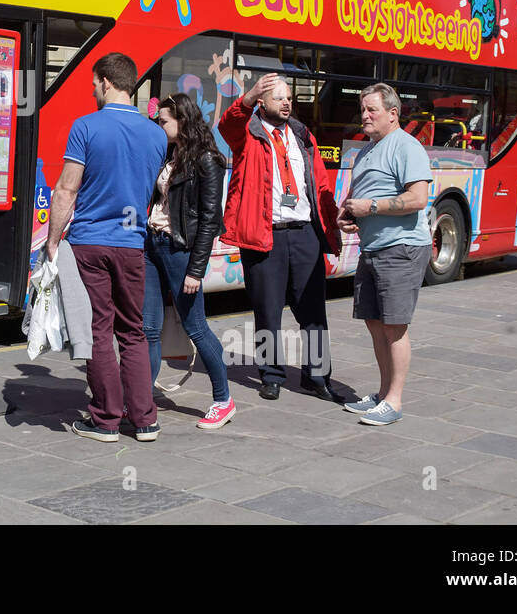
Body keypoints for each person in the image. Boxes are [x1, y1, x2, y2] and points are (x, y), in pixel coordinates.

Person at [45, 53, 168, 443]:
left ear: (104, 81)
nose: (92, 90)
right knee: (133, 331)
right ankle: (145, 420)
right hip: (133, 243)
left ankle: (106, 420)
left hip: (89, 244)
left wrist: (51, 242)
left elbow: (66, 189)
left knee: (99, 330)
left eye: (93, 83)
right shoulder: (157, 134)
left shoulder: (86, 127)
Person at [218, 72, 342, 402]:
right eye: (279, 97)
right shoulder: (247, 132)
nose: (287, 102)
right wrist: (246, 97)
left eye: (289, 98)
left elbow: (320, 185)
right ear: (261, 102)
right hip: (265, 236)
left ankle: (317, 376)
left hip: (305, 233)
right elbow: (226, 125)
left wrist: (333, 223)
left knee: (314, 310)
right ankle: (271, 375)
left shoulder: (302, 135)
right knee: (267, 312)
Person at [338, 83, 434, 426]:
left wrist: (372, 206)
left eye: (372, 110)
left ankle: (394, 401)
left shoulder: (407, 147)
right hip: (373, 248)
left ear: (393, 114)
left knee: (394, 326)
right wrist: (348, 212)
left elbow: (417, 199)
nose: (364, 116)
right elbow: (360, 193)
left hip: (401, 248)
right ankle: (381, 394)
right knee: (375, 323)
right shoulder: (368, 150)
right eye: (362, 109)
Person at [142, 93, 234, 429]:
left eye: (164, 120)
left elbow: (210, 219)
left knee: (196, 327)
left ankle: (224, 399)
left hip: (180, 251)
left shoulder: (208, 160)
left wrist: (196, 270)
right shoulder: (168, 153)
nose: (159, 125)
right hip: (152, 245)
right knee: (147, 328)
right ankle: (141, 399)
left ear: (182, 120)